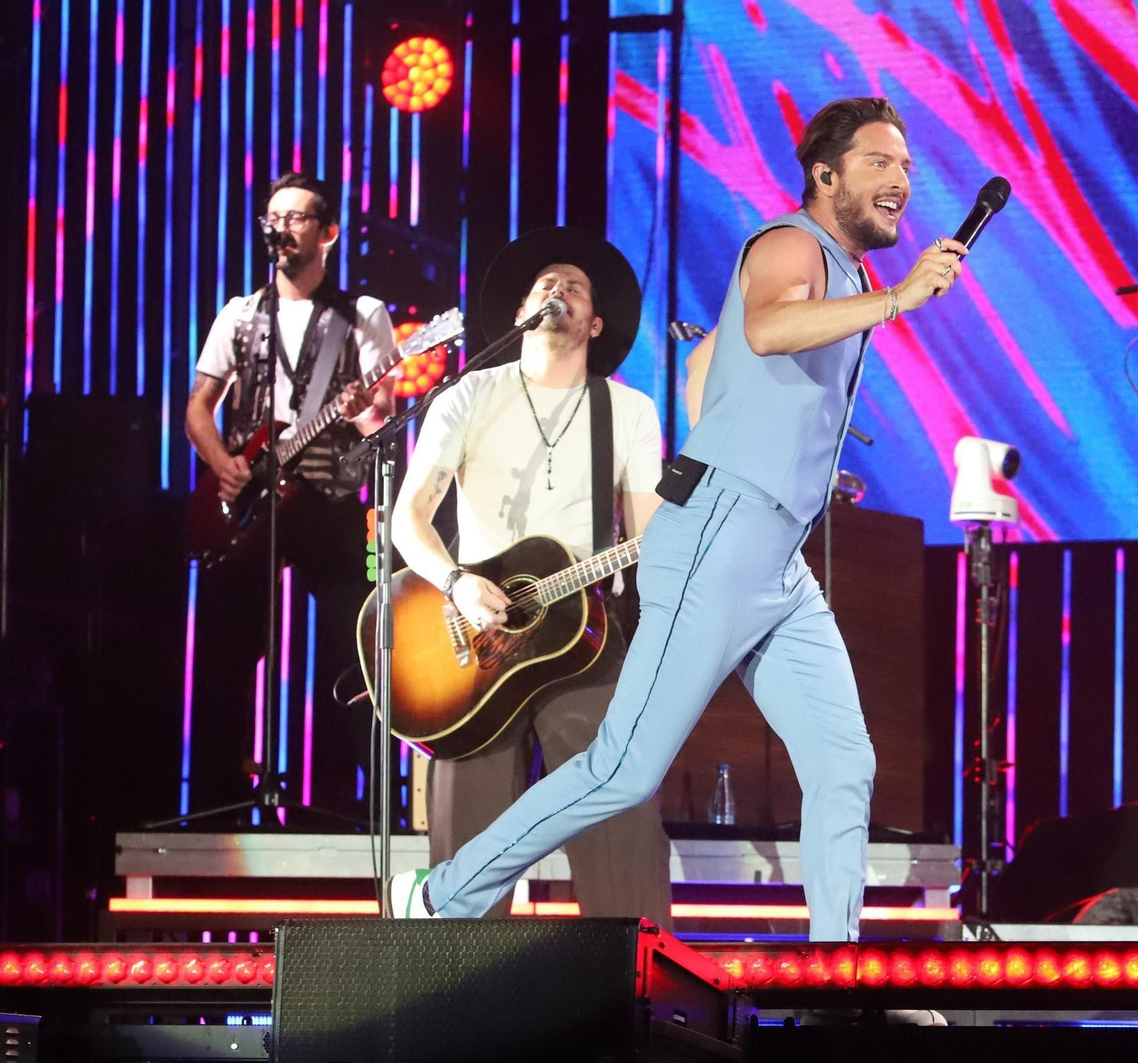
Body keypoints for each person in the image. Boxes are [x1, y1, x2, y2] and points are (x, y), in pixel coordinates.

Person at [386, 97, 966, 944]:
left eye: (907, 167)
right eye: (881, 162)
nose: (901, 180)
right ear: (825, 174)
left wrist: (750, 436)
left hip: (777, 558)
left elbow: (711, 356)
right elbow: (765, 327)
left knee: (845, 763)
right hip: (725, 535)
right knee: (622, 767)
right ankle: (444, 893)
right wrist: (900, 303)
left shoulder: (850, 274)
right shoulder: (790, 243)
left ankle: (840, 969)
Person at [390, 227, 672, 923]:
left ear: (596, 323)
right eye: (545, 284)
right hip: (476, 647)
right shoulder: (468, 395)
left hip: (585, 633)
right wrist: (455, 581)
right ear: (520, 310)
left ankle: (638, 997)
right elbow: (408, 520)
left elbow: (648, 540)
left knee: (620, 822)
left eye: (574, 287)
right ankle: (462, 1009)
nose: (558, 291)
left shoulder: (627, 408)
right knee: (469, 839)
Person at [184, 172, 396, 815]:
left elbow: (380, 416)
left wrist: (361, 407)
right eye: (272, 216)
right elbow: (198, 407)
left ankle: (357, 805)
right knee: (223, 651)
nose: (279, 227)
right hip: (251, 503)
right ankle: (216, 798)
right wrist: (222, 463)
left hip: (331, 505)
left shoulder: (362, 316)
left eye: (296, 216)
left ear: (328, 232)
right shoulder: (239, 315)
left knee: (351, 647)